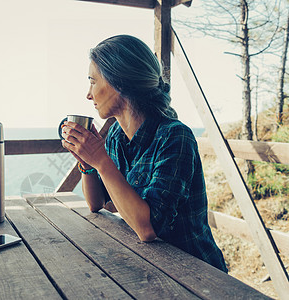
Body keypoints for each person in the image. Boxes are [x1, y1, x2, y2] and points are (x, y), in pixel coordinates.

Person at [61, 34, 227, 273]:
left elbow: (147, 229)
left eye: (93, 81)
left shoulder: (175, 137)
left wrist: (101, 160)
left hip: (198, 272)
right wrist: (87, 162)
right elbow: (97, 203)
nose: (88, 94)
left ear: (119, 83)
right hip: (156, 266)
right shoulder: (118, 135)